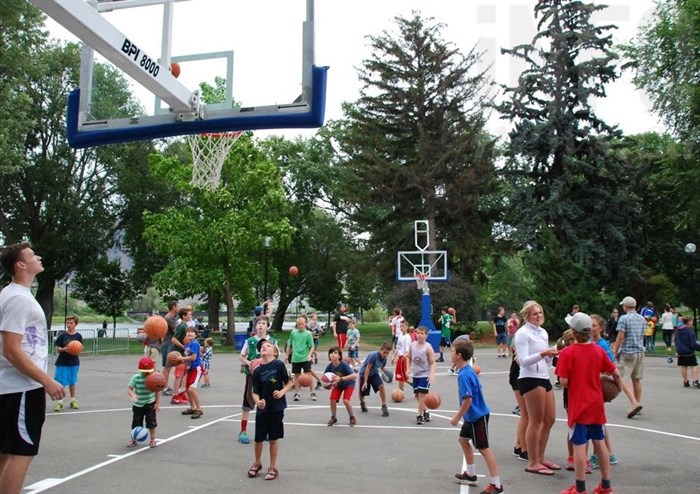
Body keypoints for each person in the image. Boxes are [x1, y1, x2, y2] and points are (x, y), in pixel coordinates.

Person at [0, 243, 65, 494]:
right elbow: (11, 349)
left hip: (13, 387)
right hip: (22, 388)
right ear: (21, 265)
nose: (38, 257)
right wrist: (46, 380)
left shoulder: (12, 294)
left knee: (8, 453)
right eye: (31, 255)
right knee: (20, 453)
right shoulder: (18, 298)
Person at [555, 312, 621, 494]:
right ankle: (606, 485)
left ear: (573, 332)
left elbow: (563, 382)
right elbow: (615, 372)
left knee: (579, 445)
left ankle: (580, 488)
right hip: (596, 403)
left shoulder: (567, 353)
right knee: (600, 442)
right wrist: (619, 387)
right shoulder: (598, 350)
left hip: (579, 405)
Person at [450, 338, 504, 494]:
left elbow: (468, 399)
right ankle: (471, 475)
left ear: (459, 355)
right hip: (472, 416)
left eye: (452, 351)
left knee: (484, 449)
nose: (450, 353)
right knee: (462, 440)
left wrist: (457, 417)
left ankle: (497, 485)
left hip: (476, 416)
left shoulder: (464, 375)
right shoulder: (468, 370)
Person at [514, 300, 560, 475]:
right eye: (535, 314)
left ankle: (540, 457)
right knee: (536, 421)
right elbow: (523, 361)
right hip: (529, 378)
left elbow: (546, 361)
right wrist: (543, 353)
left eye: (540, 312)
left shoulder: (543, 333)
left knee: (550, 419)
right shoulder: (522, 334)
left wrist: (553, 355)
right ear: (527, 316)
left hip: (543, 376)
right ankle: (532, 461)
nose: (539, 316)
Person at [247, 341, 293, 481]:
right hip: (263, 409)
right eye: (262, 347)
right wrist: (257, 402)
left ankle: (273, 467)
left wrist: (282, 391)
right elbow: (254, 392)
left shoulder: (279, 365)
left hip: (277, 408)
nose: (264, 347)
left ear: (274, 352)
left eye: (268, 346)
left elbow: (289, 382)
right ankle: (257, 463)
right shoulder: (257, 371)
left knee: (273, 438)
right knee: (259, 438)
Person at [238, 316, 278, 445]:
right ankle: (243, 431)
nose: (261, 325)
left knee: (266, 403)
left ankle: (266, 430)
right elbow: (241, 356)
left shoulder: (272, 341)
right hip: (253, 376)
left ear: (268, 326)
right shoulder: (249, 341)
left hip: (267, 377)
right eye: (259, 323)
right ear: (255, 326)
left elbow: (277, 356)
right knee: (248, 403)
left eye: (263, 323)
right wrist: (250, 363)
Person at [588, 314, 618, 469]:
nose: (591, 327)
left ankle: (599, 454)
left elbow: (611, 367)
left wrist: (601, 375)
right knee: (599, 422)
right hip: (591, 386)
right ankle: (609, 453)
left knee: (596, 422)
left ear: (600, 328)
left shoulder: (602, 345)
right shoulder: (589, 343)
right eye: (589, 324)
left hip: (597, 386)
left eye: (594, 325)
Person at [612, 296, 645, 419]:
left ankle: (634, 403)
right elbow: (643, 335)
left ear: (625, 306)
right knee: (636, 379)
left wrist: (615, 350)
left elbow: (621, 336)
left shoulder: (624, 318)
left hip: (628, 352)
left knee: (622, 379)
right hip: (640, 351)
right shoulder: (641, 318)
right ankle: (637, 402)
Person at [126, 357, 161, 448]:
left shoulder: (154, 378)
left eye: (148, 371)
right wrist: (133, 395)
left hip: (150, 403)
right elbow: (129, 389)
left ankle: (153, 439)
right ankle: (134, 439)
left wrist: (157, 403)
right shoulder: (136, 377)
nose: (146, 373)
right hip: (138, 404)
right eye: (144, 371)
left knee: (151, 422)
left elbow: (158, 391)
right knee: (136, 422)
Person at [406, 325, 437, 425]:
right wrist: (407, 369)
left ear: (426, 335)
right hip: (416, 374)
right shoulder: (412, 345)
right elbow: (409, 358)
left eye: (422, 333)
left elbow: (433, 363)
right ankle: (426, 411)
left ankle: (419, 415)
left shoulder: (428, 348)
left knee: (422, 395)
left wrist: (431, 374)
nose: (419, 335)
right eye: (418, 333)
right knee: (417, 396)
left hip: (425, 374)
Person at [52, 314, 83, 411]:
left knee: (72, 381)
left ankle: (73, 400)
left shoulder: (78, 336)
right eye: (67, 323)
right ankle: (59, 402)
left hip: (74, 362)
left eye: (71, 323)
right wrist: (64, 349)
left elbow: (80, 347)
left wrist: (77, 349)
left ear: (75, 324)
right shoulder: (62, 336)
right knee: (61, 382)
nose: (69, 324)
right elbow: (57, 349)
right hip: (62, 362)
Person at [288, 315, 322, 402]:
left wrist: (309, 355)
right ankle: (297, 393)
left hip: (305, 357)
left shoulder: (308, 334)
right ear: (297, 324)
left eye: (302, 324)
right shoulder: (293, 333)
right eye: (299, 324)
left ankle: (312, 392)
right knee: (297, 376)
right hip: (296, 358)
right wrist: (287, 355)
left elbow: (312, 346)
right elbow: (290, 345)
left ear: (305, 324)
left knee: (308, 375)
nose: (300, 326)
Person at [324, 346, 358, 426]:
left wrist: (341, 379)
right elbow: (325, 377)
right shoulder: (329, 366)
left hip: (349, 383)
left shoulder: (344, 364)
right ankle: (334, 418)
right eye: (331, 353)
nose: (332, 354)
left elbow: (354, 376)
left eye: (335, 353)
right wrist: (325, 384)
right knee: (332, 399)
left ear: (339, 356)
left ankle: (352, 417)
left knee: (346, 400)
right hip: (338, 385)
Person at [358, 342, 392, 417]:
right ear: (380, 350)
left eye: (387, 353)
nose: (385, 354)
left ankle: (384, 406)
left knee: (381, 386)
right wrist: (365, 382)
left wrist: (389, 376)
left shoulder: (384, 359)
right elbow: (367, 368)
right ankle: (362, 403)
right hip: (364, 374)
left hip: (374, 374)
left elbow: (382, 368)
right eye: (384, 352)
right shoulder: (373, 355)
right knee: (362, 393)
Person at [169, 307, 192, 405]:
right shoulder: (182, 326)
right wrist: (183, 347)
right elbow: (173, 339)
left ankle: (182, 392)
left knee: (185, 374)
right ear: (184, 316)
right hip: (179, 355)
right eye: (189, 314)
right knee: (179, 375)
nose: (191, 316)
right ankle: (175, 395)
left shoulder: (185, 325)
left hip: (184, 354)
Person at [179, 328, 204, 418]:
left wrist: (181, 359)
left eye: (192, 332)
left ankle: (199, 409)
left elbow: (193, 357)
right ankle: (192, 408)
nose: (189, 333)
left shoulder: (194, 343)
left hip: (197, 368)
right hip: (190, 369)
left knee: (191, 389)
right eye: (188, 332)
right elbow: (188, 358)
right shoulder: (187, 345)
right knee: (187, 389)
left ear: (195, 335)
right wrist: (181, 362)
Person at [675, 316, 700, 388]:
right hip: (688, 352)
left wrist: (677, 350)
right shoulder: (690, 331)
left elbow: (676, 341)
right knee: (694, 365)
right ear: (688, 322)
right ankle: (695, 382)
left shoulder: (678, 331)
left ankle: (685, 381)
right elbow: (692, 344)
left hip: (681, 352)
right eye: (692, 321)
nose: (692, 323)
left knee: (684, 366)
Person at [161, 300, 179, 396]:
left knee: (168, 367)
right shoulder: (169, 318)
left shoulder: (172, 317)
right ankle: (164, 387)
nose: (179, 308)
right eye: (178, 306)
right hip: (168, 344)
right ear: (173, 307)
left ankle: (164, 386)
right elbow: (177, 330)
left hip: (168, 344)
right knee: (167, 367)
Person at [392, 319, 412, 392]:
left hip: (404, 358)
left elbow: (407, 351)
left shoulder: (407, 337)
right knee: (401, 376)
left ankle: (401, 391)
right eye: (400, 326)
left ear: (407, 327)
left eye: (403, 326)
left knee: (401, 376)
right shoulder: (400, 335)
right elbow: (398, 347)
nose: (401, 328)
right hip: (400, 358)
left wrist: (403, 358)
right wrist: (394, 356)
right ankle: (414, 385)